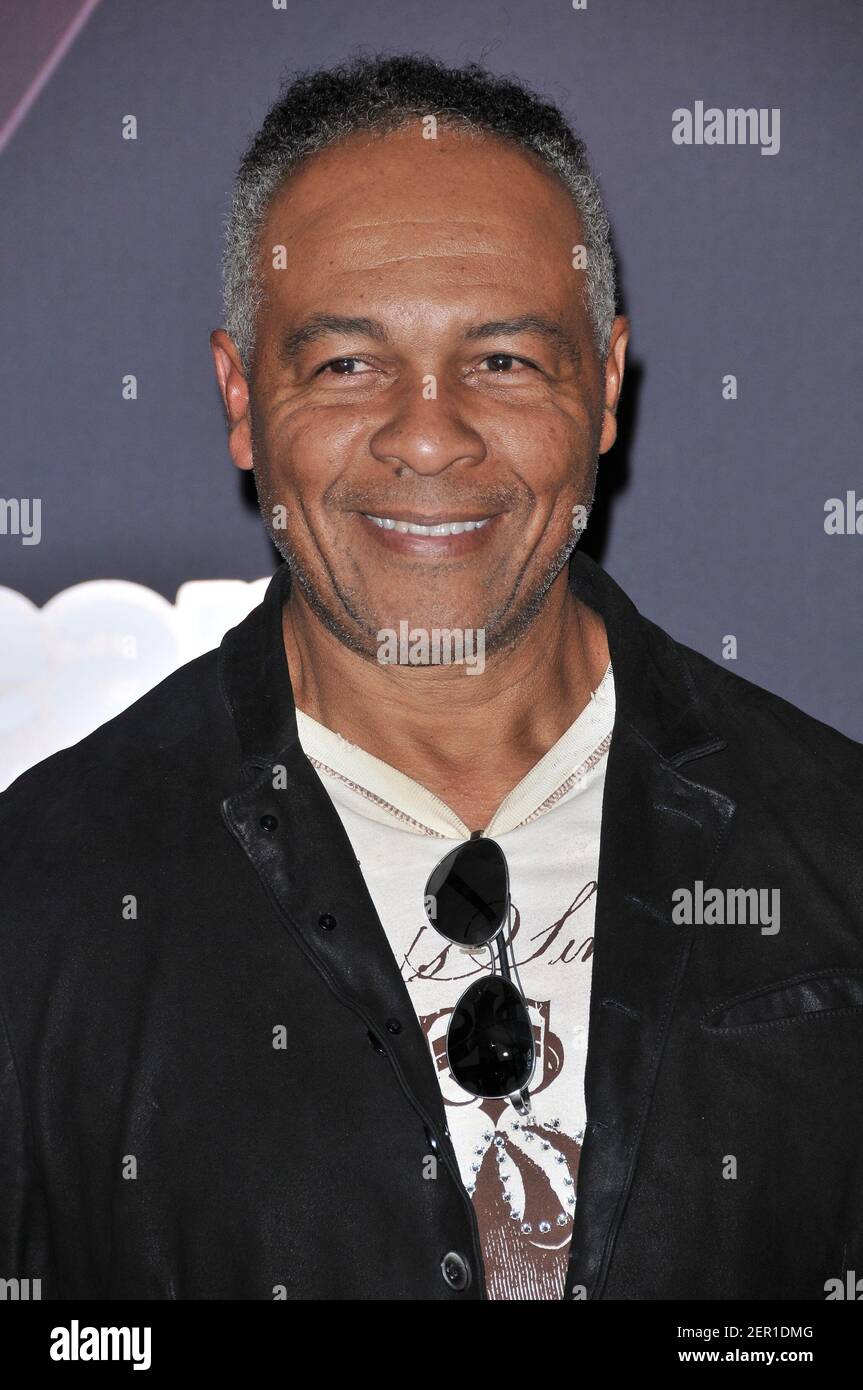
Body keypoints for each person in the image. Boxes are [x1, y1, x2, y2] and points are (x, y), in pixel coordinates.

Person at [1, 54, 861, 1303]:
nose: (425, 431)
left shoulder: (834, 851)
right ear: (242, 397)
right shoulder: (44, 906)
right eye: (346, 364)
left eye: (502, 361)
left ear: (604, 386)